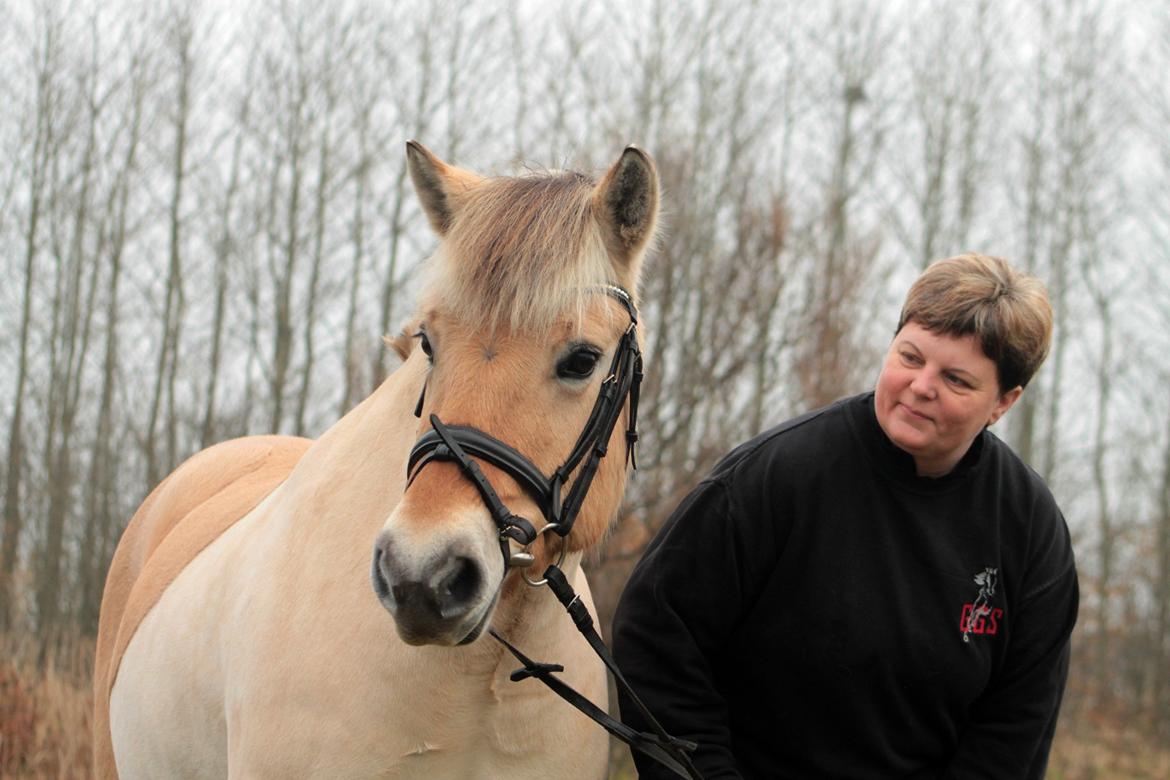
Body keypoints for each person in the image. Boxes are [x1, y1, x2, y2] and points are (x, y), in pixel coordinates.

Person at [612, 253, 1079, 779]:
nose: (921, 385)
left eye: (955, 380)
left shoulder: (1030, 531)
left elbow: (1017, 727)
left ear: (1003, 402)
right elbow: (656, 634)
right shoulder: (775, 477)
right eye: (910, 357)